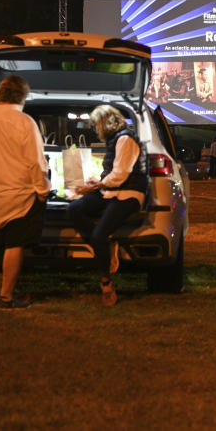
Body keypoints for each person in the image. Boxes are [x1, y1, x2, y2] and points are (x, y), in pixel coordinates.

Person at [0, 75, 50, 309]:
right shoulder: (24, 122)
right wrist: (43, 189)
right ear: (22, 96)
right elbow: (35, 161)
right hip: (20, 193)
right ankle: (6, 296)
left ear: (0, 93)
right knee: (13, 244)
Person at [67, 104, 146, 306]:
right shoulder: (115, 140)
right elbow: (113, 173)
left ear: (105, 122)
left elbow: (120, 175)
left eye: (95, 125)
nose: (95, 130)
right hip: (110, 191)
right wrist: (97, 183)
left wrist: (97, 185)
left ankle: (106, 283)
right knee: (74, 208)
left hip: (128, 194)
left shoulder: (125, 139)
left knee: (99, 234)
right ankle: (105, 247)